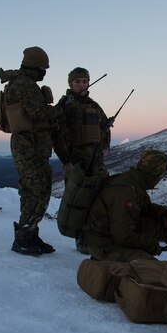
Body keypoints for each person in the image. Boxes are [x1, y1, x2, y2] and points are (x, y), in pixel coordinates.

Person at [0, 46, 62, 256]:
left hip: (30, 145)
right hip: (29, 146)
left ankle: (30, 234)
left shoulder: (20, 82)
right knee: (38, 191)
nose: (45, 72)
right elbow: (38, 112)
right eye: (43, 67)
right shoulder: (25, 85)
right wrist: (61, 108)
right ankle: (24, 238)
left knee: (31, 192)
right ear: (35, 66)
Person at [54, 67, 112, 254]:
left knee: (101, 196)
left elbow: (104, 126)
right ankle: (80, 239)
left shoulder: (94, 106)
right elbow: (57, 135)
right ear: (71, 83)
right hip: (75, 160)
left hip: (96, 159)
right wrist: (66, 161)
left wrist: (106, 146)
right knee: (78, 199)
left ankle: (98, 236)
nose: (81, 84)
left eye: (84, 81)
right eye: (77, 81)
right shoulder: (64, 106)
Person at [84, 150, 167, 262]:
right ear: (156, 173)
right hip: (103, 244)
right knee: (152, 270)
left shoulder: (135, 181)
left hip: (115, 232)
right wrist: (150, 245)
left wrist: (163, 213)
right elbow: (123, 237)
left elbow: (144, 208)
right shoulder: (126, 192)